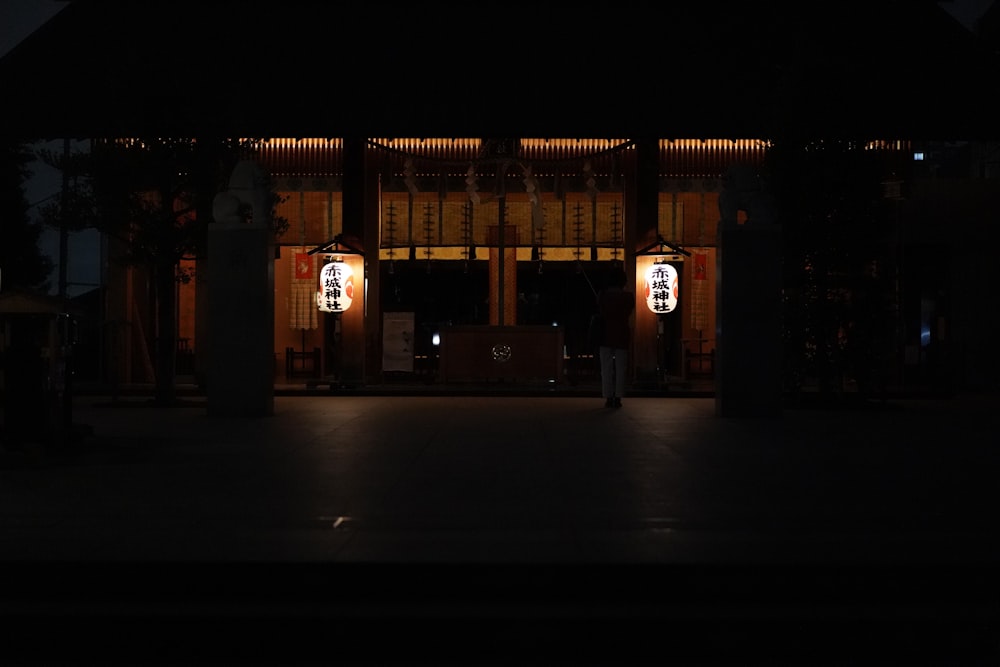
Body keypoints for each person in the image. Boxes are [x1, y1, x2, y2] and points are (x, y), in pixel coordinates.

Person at [596, 266, 634, 408]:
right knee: (620, 367)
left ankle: (608, 396)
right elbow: (628, 312)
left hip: (605, 333)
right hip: (622, 333)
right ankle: (618, 397)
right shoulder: (628, 297)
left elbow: (601, 310)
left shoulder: (603, 295)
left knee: (606, 367)